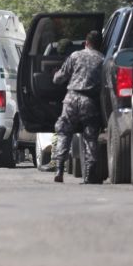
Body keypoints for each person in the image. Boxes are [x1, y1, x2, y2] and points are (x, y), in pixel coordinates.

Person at [52, 30, 104, 184]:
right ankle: (89, 174)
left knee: (64, 133)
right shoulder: (103, 59)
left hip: (71, 98)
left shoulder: (75, 55)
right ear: (100, 45)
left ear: (86, 43)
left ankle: (59, 170)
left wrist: (54, 74)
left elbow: (59, 78)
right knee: (90, 136)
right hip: (89, 101)